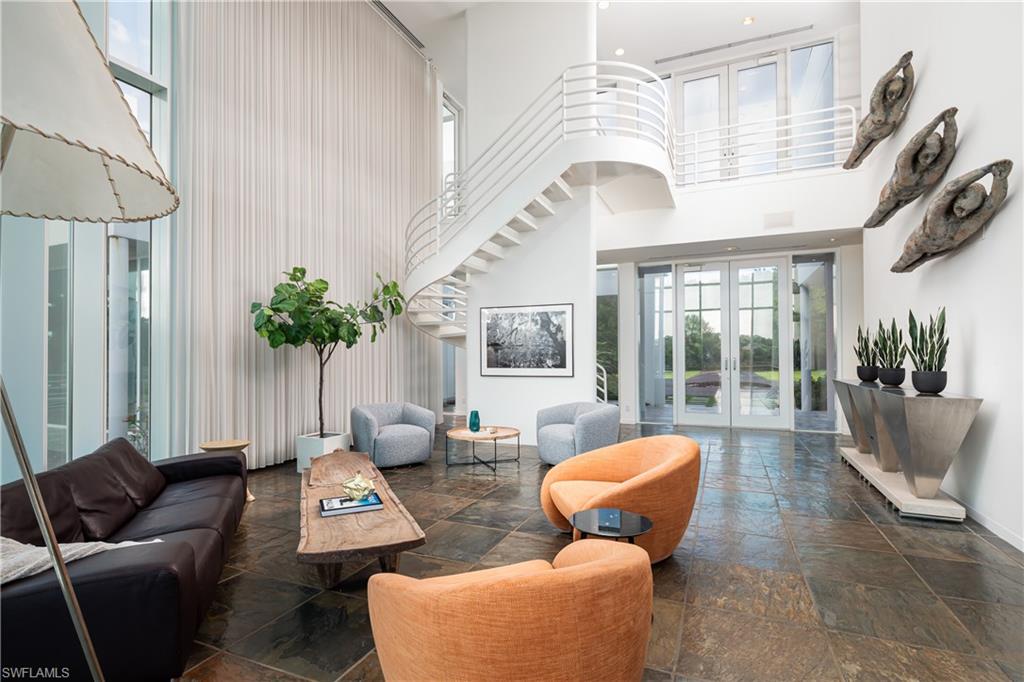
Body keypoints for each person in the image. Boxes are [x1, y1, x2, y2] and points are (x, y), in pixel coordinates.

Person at [891, 160, 1013, 272]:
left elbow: (994, 201)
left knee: (912, 262)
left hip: (940, 249)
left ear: (974, 210)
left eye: (968, 209)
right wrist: (985, 170)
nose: (963, 211)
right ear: (959, 196)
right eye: (963, 199)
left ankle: (910, 263)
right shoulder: (937, 214)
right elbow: (951, 189)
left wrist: (1000, 178)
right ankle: (904, 263)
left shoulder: (970, 222)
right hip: (918, 244)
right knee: (904, 261)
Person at [864, 107, 958, 227]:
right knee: (880, 212)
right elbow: (914, 143)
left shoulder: (934, 168)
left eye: (933, 156)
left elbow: (949, 147)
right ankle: (871, 223)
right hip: (891, 193)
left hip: (910, 196)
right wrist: (938, 120)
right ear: (920, 150)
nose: (929, 159)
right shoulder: (905, 163)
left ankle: (876, 222)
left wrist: (950, 121)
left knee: (892, 212)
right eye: (926, 154)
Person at [844, 51, 915, 169]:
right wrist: (898, 66)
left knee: (869, 150)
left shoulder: (899, 104)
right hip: (867, 131)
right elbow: (881, 83)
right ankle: (849, 162)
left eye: (897, 93)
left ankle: (857, 162)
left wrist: (907, 65)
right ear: (886, 89)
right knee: (857, 150)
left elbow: (909, 83)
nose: (893, 96)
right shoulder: (877, 103)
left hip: (883, 133)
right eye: (891, 92)